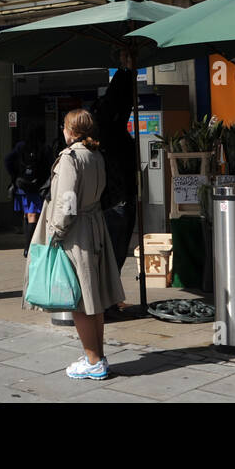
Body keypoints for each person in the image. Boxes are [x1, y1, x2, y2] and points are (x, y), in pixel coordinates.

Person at [27, 108, 125, 381]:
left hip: (76, 232)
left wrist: (57, 230)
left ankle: (93, 361)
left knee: (80, 300)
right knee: (93, 299)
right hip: (94, 227)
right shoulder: (96, 155)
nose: (62, 130)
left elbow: (67, 200)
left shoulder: (70, 158)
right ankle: (97, 356)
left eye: (64, 126)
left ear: (71, 130)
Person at [92, 64, 138, 304]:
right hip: (117, 201)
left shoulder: (111, 134)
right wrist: (127, 70)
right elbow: (116, 99)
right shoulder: (111, 133)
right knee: (113, 255)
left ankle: (108, 300)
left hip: (117, 200)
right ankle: (107, 300)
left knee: (112, 255)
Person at [4, 125, 50, 257]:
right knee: (33, 216)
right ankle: (29, 247)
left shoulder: (20, 146)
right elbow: (50, 166)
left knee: (27, 215)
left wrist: (15, 175)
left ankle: (27, 245)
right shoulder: (44, 147)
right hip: (36, 186)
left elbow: (7, 160)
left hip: (22, 186)